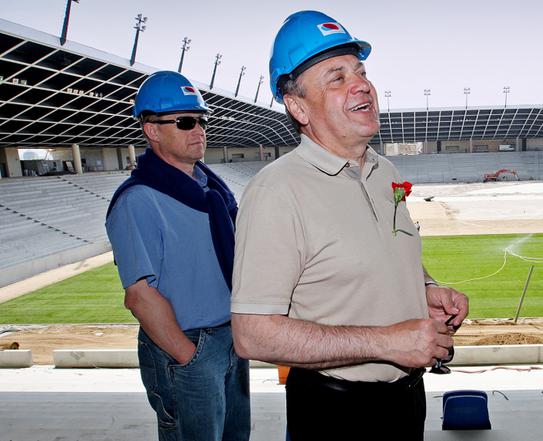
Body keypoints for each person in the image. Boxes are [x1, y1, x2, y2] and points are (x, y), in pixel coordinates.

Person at [231, 11, 469, 440]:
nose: (361, 85)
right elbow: (252, 335)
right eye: (337, 77)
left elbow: (386, 252)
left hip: (407, 400)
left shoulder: (385, 172)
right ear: (298, 106)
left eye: (361, 72)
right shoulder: (276, 192)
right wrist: (386, 343)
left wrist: (426, 289)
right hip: (334, 412)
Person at [105, 71, 250, 441]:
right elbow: (139, 295)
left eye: (201, 120)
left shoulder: (212, 191)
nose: (198, 130)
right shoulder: (138, 200)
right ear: (152, 130)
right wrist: (190, 357)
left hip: (230, 338)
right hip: (188, 346)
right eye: (185, 122)